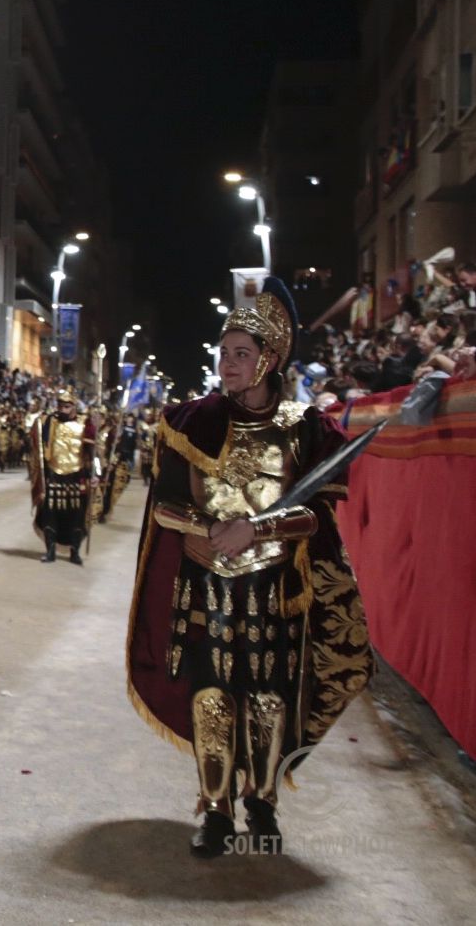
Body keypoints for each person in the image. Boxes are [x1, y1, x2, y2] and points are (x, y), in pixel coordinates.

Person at [127, 278, 371, 859]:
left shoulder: (305, 427)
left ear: (270, 359)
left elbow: (315, 518)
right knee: (212, 696)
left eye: (242, 353)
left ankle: (262, 802)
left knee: (268, 697)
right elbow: (164, 504)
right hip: (207, 585)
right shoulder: (191, 422)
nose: (228, 364)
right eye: (224, 352)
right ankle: (215, 808)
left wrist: (255, 530)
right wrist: (200, 531)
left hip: (274, 588)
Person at [29, 389, 95, 564]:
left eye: (67, 406)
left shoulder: (85, 424)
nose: (63, 409)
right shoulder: (49, 422)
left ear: (73, 406)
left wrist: (95, 474)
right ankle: (50, 550)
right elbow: (37, 443)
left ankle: (75, 551)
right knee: (50, 513)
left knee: (77, 515)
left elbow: (92, 452)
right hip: (54, 473)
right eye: (60, 405)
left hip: (77, 475)